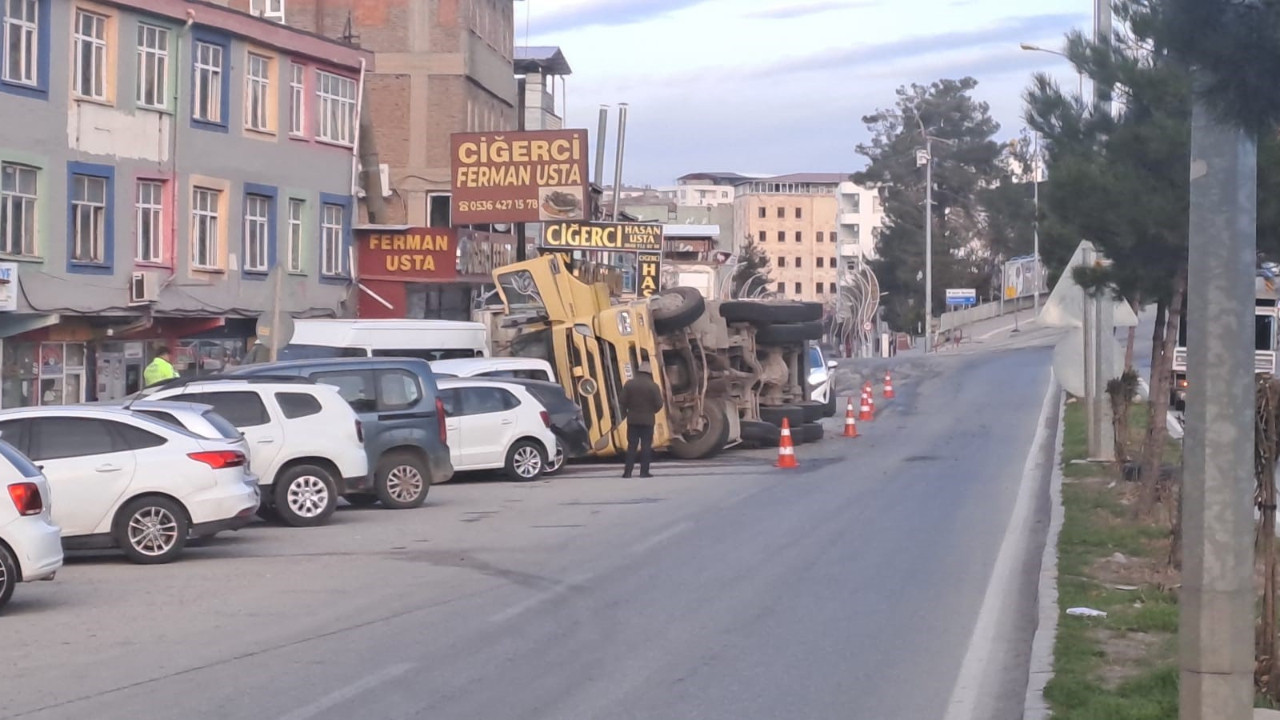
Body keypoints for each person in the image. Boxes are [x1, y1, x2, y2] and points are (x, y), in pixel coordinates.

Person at [620, 362, 664, 478]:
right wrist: (651, 411)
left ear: (638, 371)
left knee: (631, 447)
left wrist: (627, 411)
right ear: (649, 373)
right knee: (646, 447)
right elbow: (659, 404)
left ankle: (627, 472)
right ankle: (644, 472)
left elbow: (622, 401)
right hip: (648, 421)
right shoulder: (653, 386)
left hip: (633, 420)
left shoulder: (629, 384)